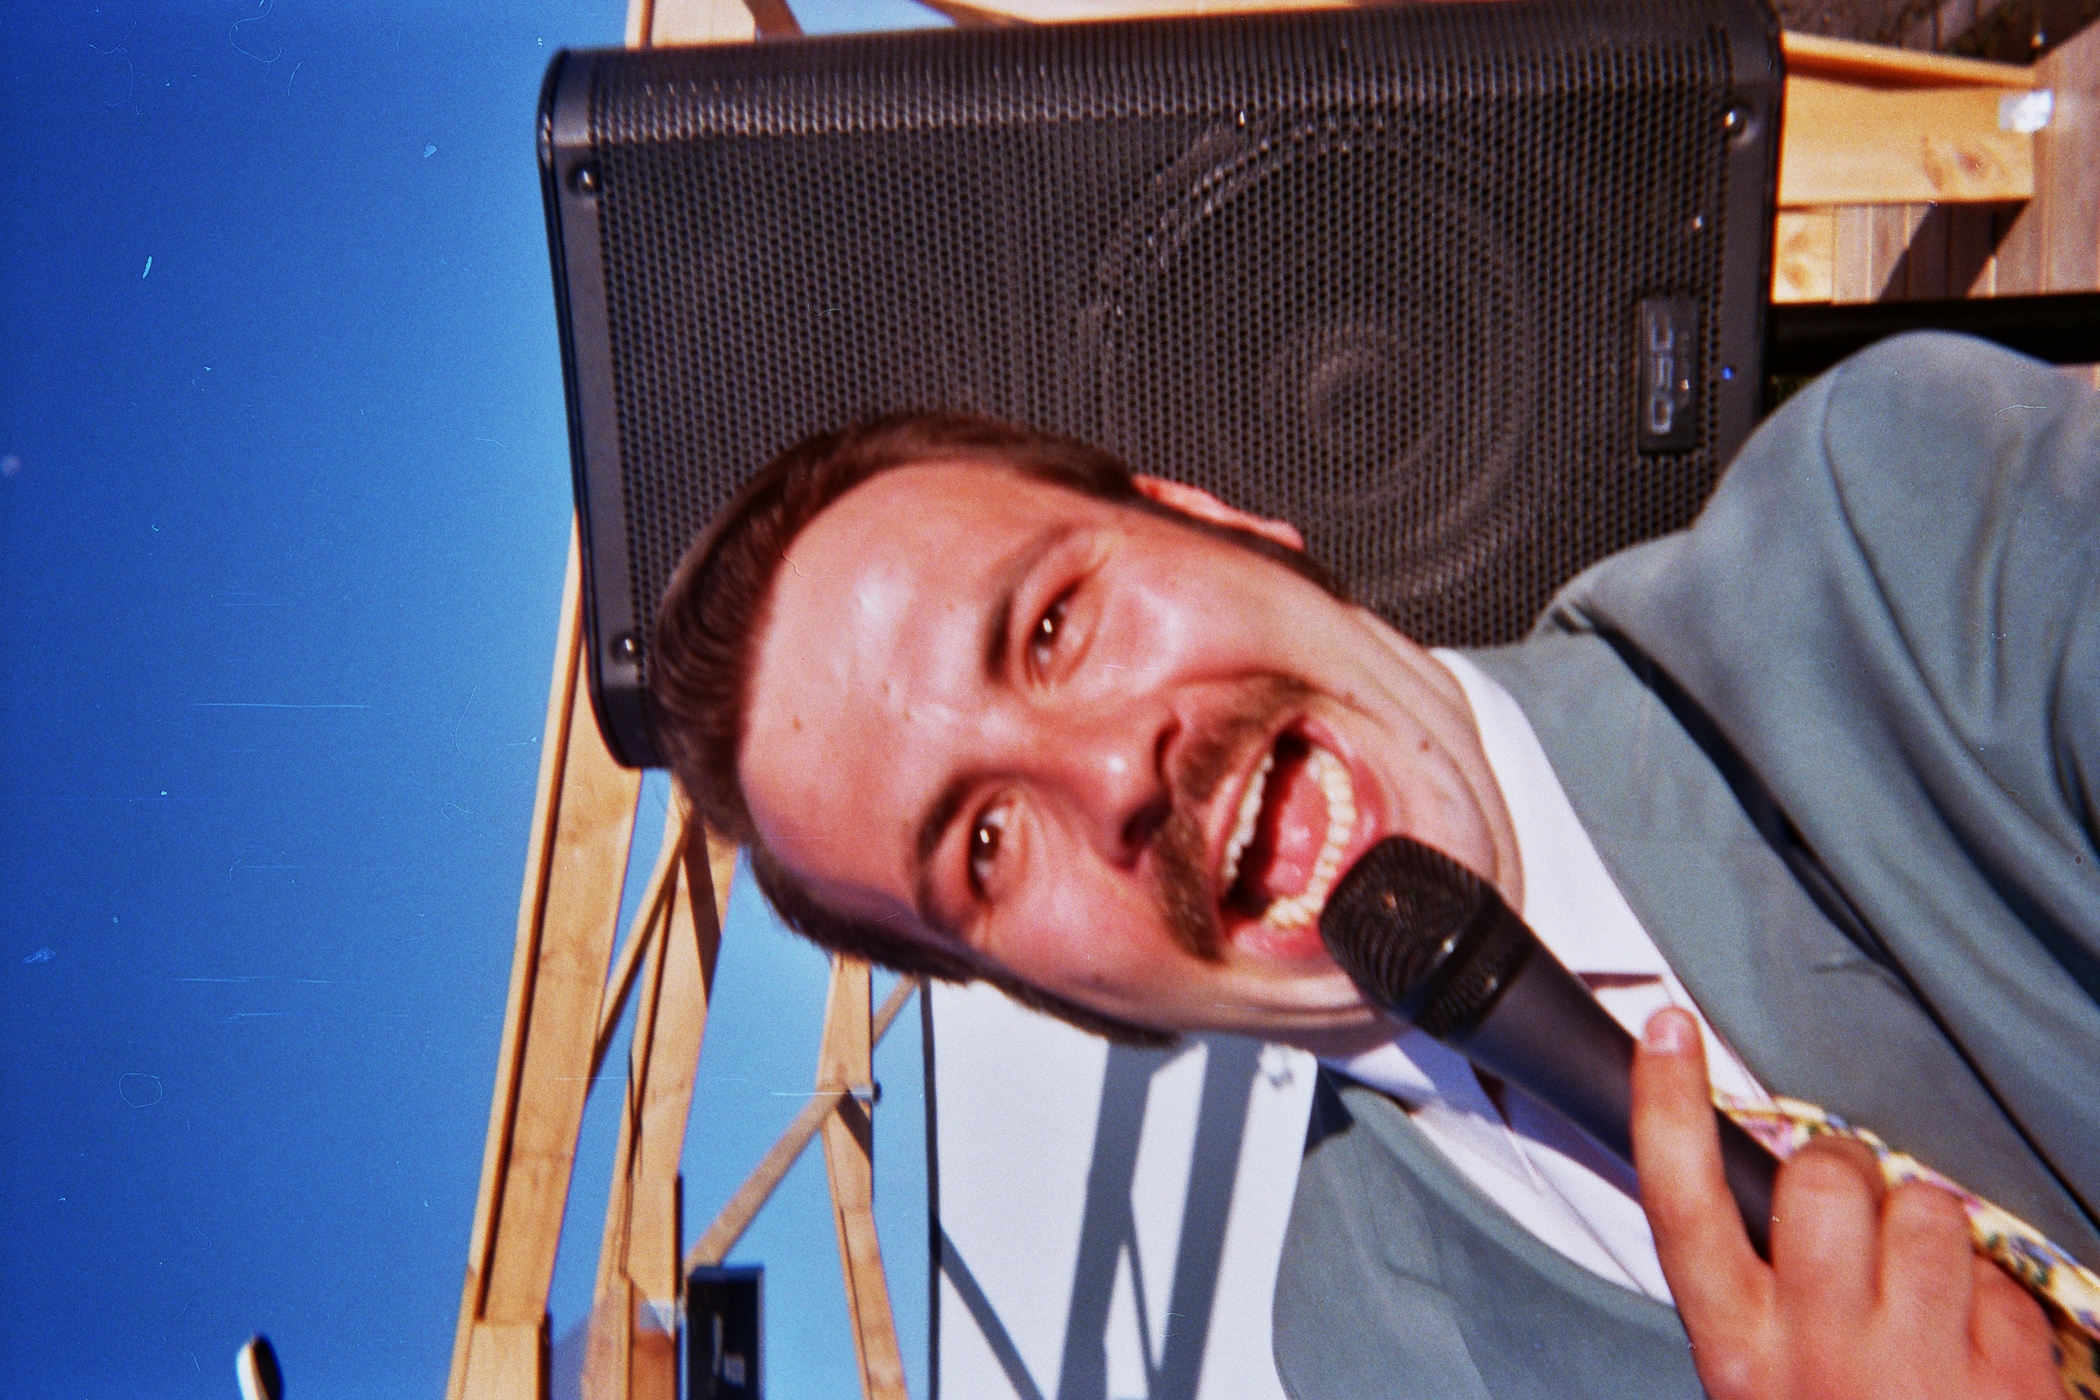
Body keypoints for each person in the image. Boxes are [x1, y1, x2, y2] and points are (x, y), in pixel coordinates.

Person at [649, 331, 2098, 1400]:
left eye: (1051, 627)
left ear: (1214, 516)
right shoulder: (1363, 1359)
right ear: (1048, 993)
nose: (1112, 775)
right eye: (984, 846)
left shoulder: (1892, 534)